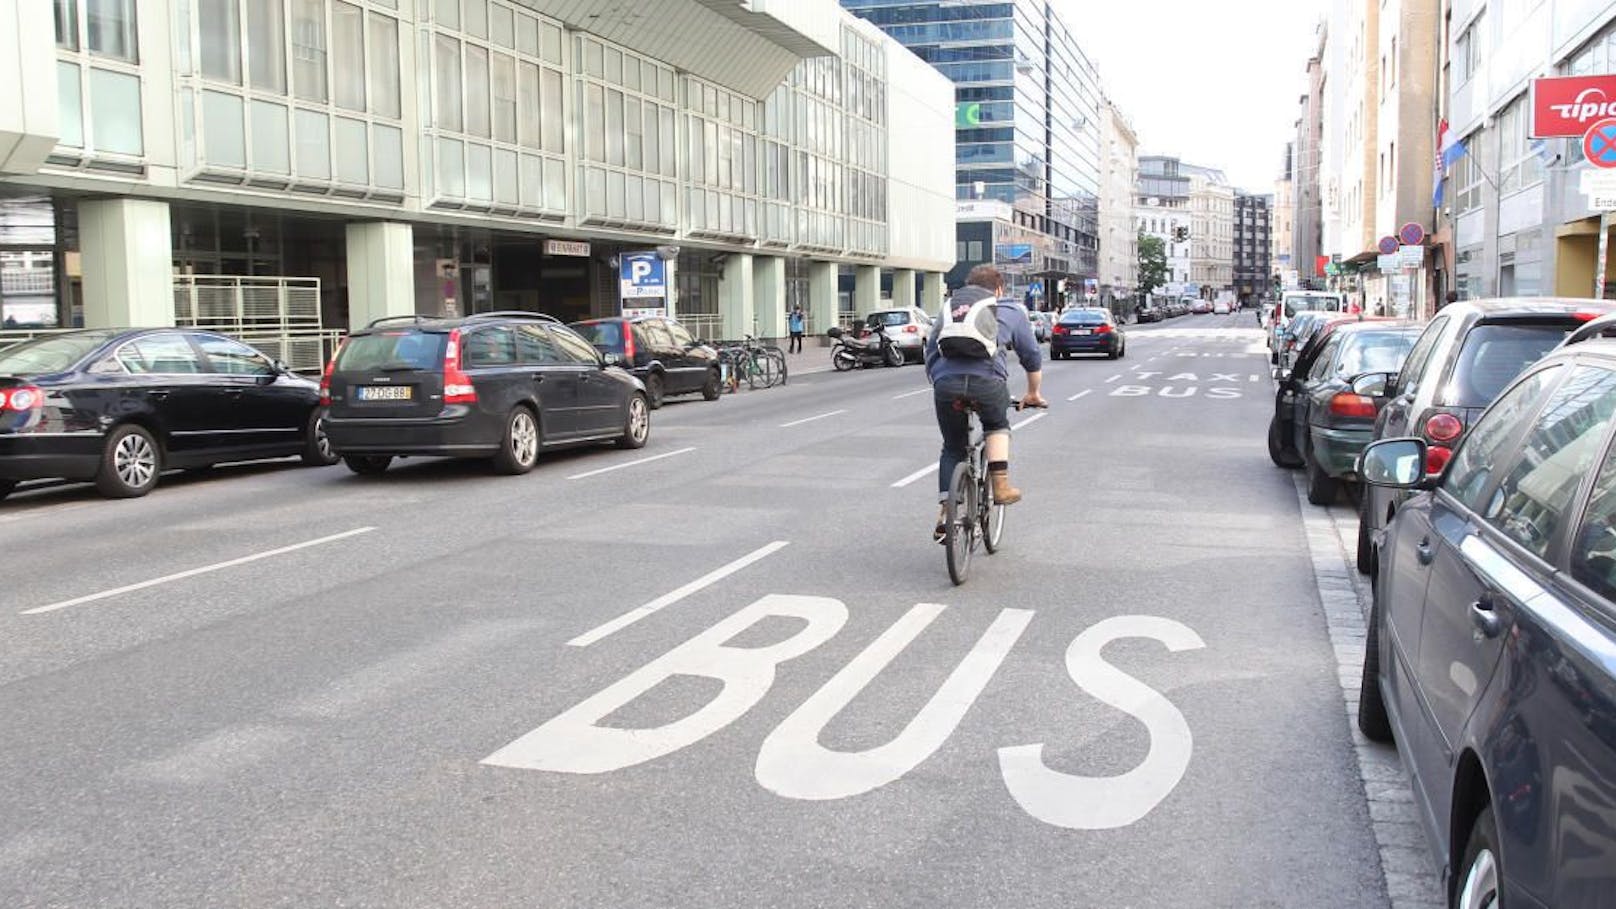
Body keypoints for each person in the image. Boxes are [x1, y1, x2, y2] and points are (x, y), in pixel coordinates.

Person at [924, 264, 1046, 542]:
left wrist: (940, 382)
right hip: (988, 383)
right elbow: (1031, 356)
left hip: (946, 384)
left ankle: (946, 513)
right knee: (996, 426)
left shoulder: (949, 309)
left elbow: (931, 351)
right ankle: (1000, 486)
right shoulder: (1011, 310)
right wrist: (1033, 393)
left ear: (968, 287)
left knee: (953, 447)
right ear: (999, 288)